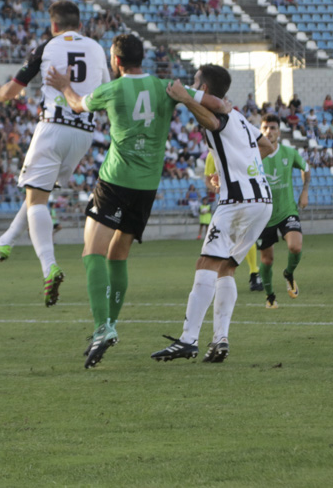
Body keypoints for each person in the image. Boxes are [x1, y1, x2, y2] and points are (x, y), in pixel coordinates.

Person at [47, 35, 231, 368]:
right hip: (147, 187)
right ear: (142, 58)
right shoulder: (165, 86)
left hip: (116, 181)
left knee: (92, 253)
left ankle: (103, 327)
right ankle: (110, 324)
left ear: (116, 61)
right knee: (119, 255)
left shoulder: (113, 90)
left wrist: (63, 85)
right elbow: (214, 104)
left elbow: (77, 104)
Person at [0, 0, 110, 308]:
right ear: (80, 24)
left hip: (53, 128)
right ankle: (4, 243)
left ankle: (48, 266)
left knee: (36, 199)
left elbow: (9, 93)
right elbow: (106, 92)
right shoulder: (97, 49)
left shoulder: (47, 46)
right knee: (39, 193)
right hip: (84, 134)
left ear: (53, 25)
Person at [151, 65, 274, 365]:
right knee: (226, 268)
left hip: (238, 201)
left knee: (206, 261)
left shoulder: (220, 114)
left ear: (203, 88)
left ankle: (188, 339)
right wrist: (232, 167)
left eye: (195, 83)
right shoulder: (242, 118)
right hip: (262, 201)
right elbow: (267, 146)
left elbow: (212, 120)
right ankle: (220, 339)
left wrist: (185, 98)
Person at [256, 114, 310, 309]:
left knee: (295, 247)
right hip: (262, 215)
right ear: (260, 130)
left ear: (279, 131)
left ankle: (289, 273)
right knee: (267, 260)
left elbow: (306, 168)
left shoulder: (289, 152)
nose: (269, 131)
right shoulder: (253, 155)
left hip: (287, 210)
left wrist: (304, 192)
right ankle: (270, 296)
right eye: (265, 128)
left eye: (273, 127)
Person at [205, 151, 264, 292]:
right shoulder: (212, 154)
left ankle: (253, 273)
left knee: (244, 236)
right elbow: (208, 179)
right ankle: (223, 276)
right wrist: (216, 188)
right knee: (222, 239)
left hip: (244, 200)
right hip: (225, 204)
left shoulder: (239, 149)